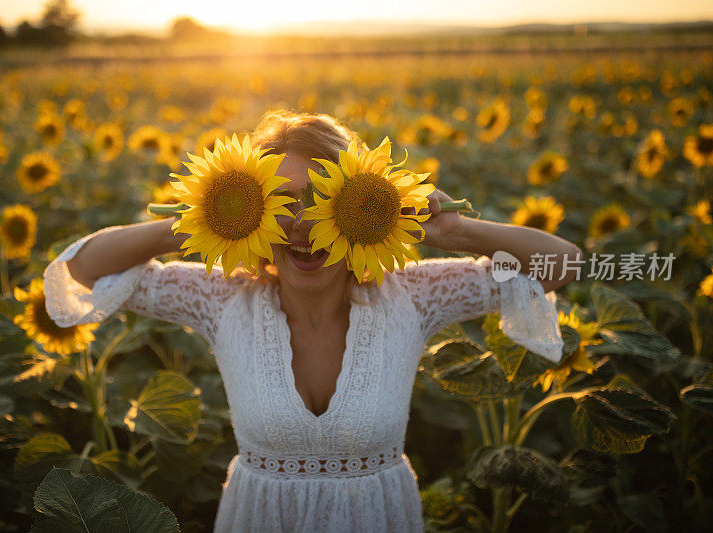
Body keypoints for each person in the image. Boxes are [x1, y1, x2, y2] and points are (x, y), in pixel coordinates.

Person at [43, 109, 581, 532]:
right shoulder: (223, 298)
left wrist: (459, 233)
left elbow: (564, 264)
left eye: (325, 200)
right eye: (280, 202)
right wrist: (204, 216)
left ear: (362, 203)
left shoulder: (411, 296)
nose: (302, 226)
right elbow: (81, 270)